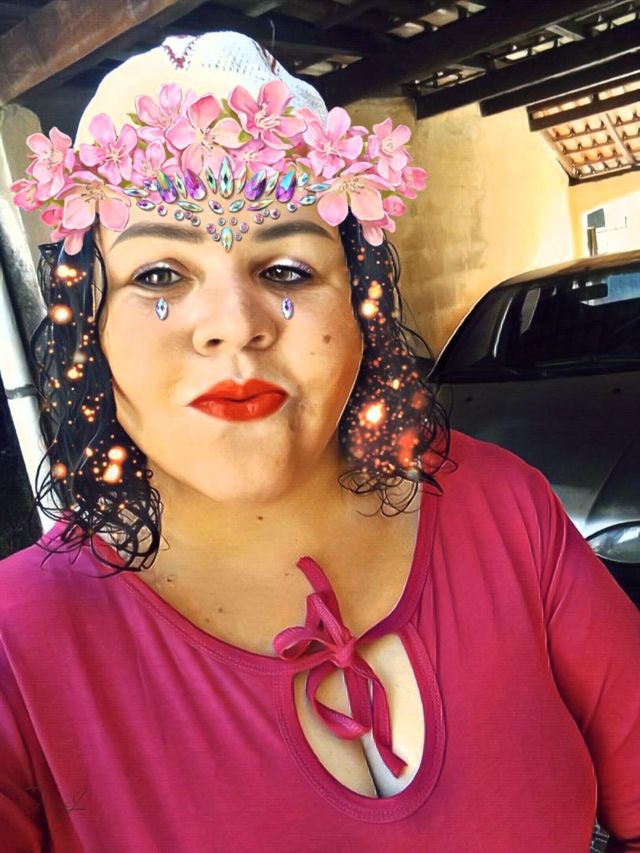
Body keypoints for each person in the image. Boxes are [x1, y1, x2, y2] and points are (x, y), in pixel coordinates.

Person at [1, 30, 639, 853]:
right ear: (87, 325)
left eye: (287, 270)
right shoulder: (19, 652)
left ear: (360, 303)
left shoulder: (503, 510)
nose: (235, 325)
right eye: (159, 275)